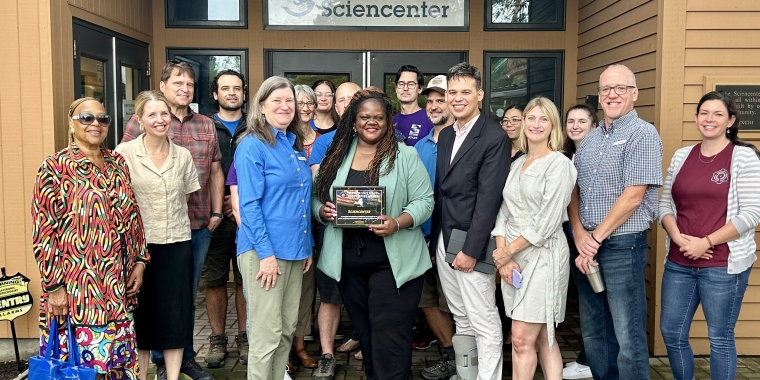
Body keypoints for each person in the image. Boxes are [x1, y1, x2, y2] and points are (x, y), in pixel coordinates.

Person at [312, 87, 434, 380]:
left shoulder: (405, 155)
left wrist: (398, 222)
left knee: (389, 336)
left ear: (388, 120)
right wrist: (321, 211)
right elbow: (316, 196)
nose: (371, 122)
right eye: (365, 117)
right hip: (349, 266)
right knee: (366, 336)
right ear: (353, 120)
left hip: (393, 264)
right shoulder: (337, 155)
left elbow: (425, 201)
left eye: (378, 117)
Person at [32, 97, 149, 380]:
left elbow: (132, 215)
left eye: (102, 118)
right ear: (72, 124)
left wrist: (139, 261)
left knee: (117, 367)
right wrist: (54, 286)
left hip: (117, 286)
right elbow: (44, 230)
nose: (95, 123)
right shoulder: (55, 167)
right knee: (81, 369)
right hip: (77, 290)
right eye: (87, 118)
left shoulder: (117, 162)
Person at [122, 60, 222, 380]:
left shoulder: (195, 137)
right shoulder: (127, 147)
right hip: (142, 242)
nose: (159, 119)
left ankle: (179, 368)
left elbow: (202, 182)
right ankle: (147, 370)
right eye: (178, 82)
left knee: (179, 307)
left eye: (190, 84)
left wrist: (215, 214)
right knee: (145, 309)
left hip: (185, 234)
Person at [568, 64, 663, 380]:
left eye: (620, 88)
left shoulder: (644, 134)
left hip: (622, 245)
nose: (611, 95)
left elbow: (634, 196)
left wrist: (594, 240)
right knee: (595, 332)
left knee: (627, 332)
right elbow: (574, 192)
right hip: (586, 248)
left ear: (634, 93)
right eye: (606, 88)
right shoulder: (591, 140)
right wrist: (580, 234)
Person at [659, 91, 760, 380]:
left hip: (722, 266)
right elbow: (665, 204)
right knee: (672, 333)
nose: (710, 119)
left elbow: (752, 212)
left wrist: (706, 242)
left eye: (718, 114)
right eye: (704, 113)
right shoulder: (682, 155)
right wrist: (679, 239)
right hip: (679, 262)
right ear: (696, 117)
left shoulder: (743, 157)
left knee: (720, 338)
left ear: (731, 120)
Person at [430, 62, 511, 380]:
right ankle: (468, 374)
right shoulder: (448, 134)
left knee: (483, 318)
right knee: (460, 316)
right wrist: (437, 240)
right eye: (452, 92)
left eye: (465, 91)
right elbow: (443, 192)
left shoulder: (494, 137)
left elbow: (489, 200)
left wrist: (473, 249)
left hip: (472, 242)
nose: (457, 98)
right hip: (444, 238)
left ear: (480, 94)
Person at [115, 90, 200, 380]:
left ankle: (173, 377)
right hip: (139, 248)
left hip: (177, 244)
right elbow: (118, 202)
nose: (160, 119)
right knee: (143, 317)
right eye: (152, 114)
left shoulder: (183, 155)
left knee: (176, 316)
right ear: (139, 120)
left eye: (164, 114)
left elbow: (186, 198)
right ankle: (142, 375)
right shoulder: (124, 154)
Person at [491, 96, 576, 380]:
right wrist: (503, 253)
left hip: (544, 257)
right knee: (543, 338)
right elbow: (502, 211)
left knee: (520, 339)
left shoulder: (559, 164)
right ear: (523, 123)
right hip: (513, 259)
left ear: (553, 125)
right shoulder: (517, 164)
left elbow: (547, 222)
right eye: (531, 118)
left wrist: (507, 252)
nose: (536, 124)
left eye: (543, 119)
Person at [235, 76, 313, 380]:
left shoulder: (292, 145)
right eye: (277, 101)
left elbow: (300, 201)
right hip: (264, 253)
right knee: (266, 336)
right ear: (262, 107)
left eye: (289, 101)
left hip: (295, 253)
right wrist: (265, 254)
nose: (285, 106)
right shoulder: (252, 146)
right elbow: (249, 206)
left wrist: (307, 250)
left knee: (285, 331)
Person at [309, 81, 362, 380]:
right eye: (340, 100)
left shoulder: (382, 140)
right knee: (329, 295)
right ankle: (327, 354)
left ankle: (368, 342)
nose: (345, 104)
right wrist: (322, 208)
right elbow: (319, 189)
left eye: (351, 99)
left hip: (370, 233)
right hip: (332, 231)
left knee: (367, 293)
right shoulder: (323, 142)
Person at [203, 69, 248, 368]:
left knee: (246, 279)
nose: (232, 93)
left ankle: (245, 337)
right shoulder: (205, 126)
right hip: (215, 215)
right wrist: (221, 204)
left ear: (245, 93)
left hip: (248, 214)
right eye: (225, 88)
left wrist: (240, 201)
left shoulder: (257, 125)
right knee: (215, 279)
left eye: (237, 88)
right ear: (215, 94)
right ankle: (218, 339)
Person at [414, 75, 457, 380]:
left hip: (453, 239)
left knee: (455, 301)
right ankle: (451, 354)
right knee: (426, 300)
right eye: (429, 100)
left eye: (440, 99)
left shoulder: (465, 141)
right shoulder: (419, 146)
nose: (433, 105)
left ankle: (469, 360)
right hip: (420, 237)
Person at [560, 104, 597, 380]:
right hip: (570, 233)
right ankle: (589, 357)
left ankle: (590, 360)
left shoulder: (597, 157)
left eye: (582, 121)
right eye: (571, 121)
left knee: (597, 298)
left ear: (593, 126)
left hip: (593, 237)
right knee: (585, 298)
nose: (575, 125)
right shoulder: (565, 156)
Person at [290, 84, 320, 370]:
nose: (306, 107)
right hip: (288, 226)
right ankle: (283, 351)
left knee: (307, 289)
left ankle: (299, 346)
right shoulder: (283, 140)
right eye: (300, 102)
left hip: (316, 225)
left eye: (310, 102)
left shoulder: (323, 140)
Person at [392, 64, 434, 146]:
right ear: (396, 88)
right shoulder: (390, 122)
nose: (405, 88)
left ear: (420, 89)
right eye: (401, 83)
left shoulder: (430, 118)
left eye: (411, 84)